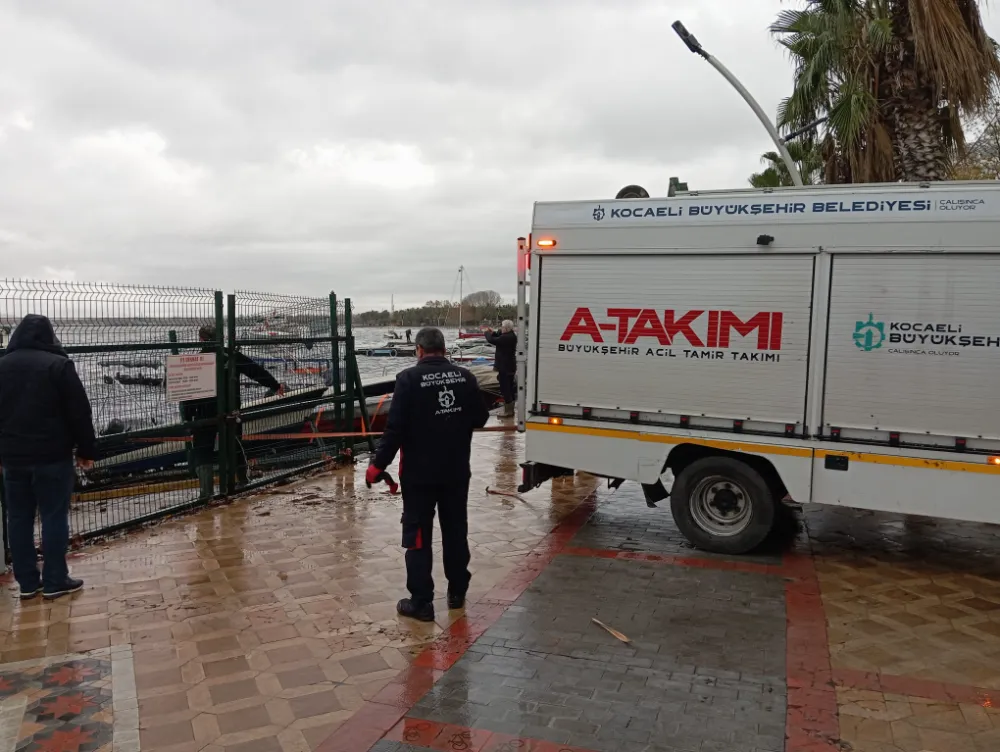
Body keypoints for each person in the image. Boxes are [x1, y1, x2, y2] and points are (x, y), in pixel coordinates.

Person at [366, 327, 489, 622]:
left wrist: (377, 466)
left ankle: (421, 603)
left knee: (418, 536)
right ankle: (457, 592)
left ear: (419, 350)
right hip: (456, 471)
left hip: (418, 476)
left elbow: (394, 430)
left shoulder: (407, 379)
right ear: (444, 349)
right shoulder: (466, 377)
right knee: (455, 531)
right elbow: (481, 418)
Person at [0, 314, 95, 600]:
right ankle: (55, 579)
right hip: (52, 456)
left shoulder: (2, 366)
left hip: (13, 458)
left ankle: (28, 582)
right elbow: (79, 411)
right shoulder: (58, 365)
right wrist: (86, 450)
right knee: (54, 516)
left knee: (18, 518)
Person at [180, 325, 284, 497]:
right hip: (231, 409)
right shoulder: (232, 356)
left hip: (205, 412)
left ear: (201, 339)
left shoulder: (197, 361)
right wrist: (275, 385)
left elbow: (189, 394)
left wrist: (189, 417)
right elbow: (255, 371)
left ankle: (206, 493)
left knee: (203, 450)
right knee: (235, 445)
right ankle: (242, 481)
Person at [484, 320, 517, 417]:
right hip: (509, 367)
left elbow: (492, 340)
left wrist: (486, 333)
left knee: (505, 388)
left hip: (505, 368)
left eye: (502, 327)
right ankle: (510, 410)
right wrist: (493, 332)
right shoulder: (511, 335)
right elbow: (498, 335)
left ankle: (508, 411)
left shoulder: (506, 337)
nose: (501, 328)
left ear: (506, 328)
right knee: (509, 388)